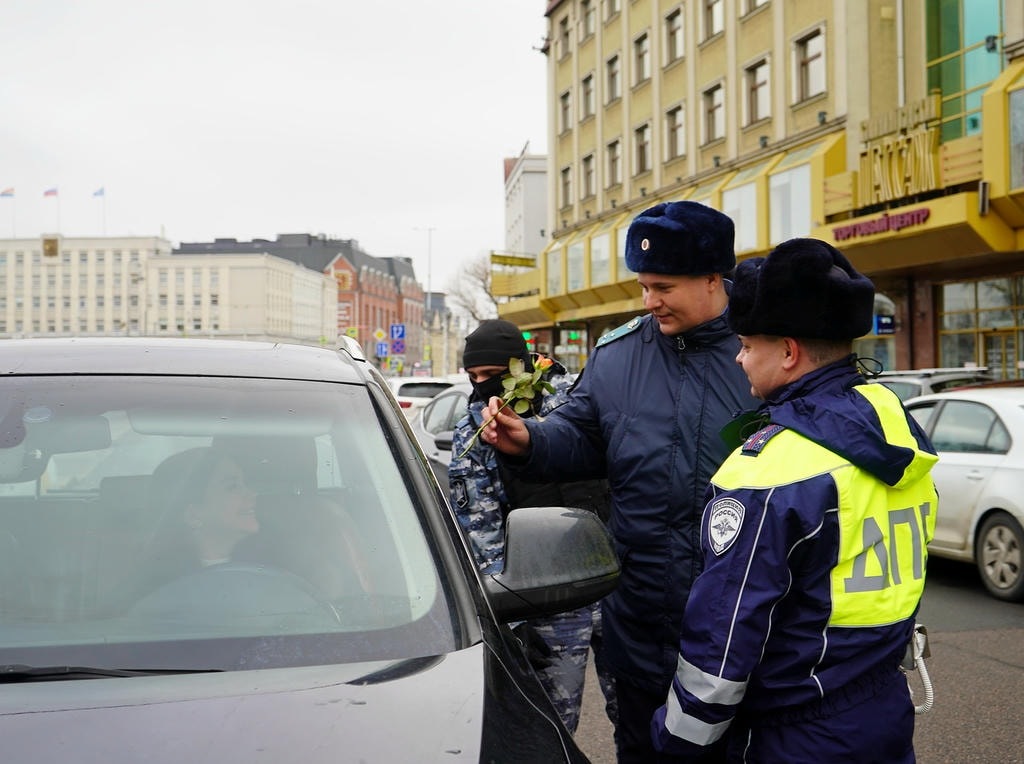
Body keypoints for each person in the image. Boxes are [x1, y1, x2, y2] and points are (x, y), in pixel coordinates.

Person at [479, 202, 759, 763]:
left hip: (731, 623)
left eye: (663, 287)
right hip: (638, 620)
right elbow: (580, 432)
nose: (649, 301)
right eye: (643, 286)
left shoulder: (762, 353)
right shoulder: (618, 354)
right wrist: (529, 441)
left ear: (713, 279)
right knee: (641, 747)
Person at [651, 238, 939, 762]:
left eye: (746, 345)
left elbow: (725, 631)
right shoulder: (895, 424)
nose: (738, 358)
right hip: (881, 707)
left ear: (787, 352)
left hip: (794, 730)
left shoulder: (770, 470)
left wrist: (677, 740)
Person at [448, 318, 617, 738]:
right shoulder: (476, 428)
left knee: (641, 717)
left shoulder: (579, 397)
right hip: (548, 596)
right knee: (552, 729)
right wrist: (513, 617)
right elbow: (481, 530)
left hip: (618, 585)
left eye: (491, 374)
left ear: (520, 364)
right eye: (473, 377)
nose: (483, 385)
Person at [136, 446, 261, 595]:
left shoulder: (274, 564)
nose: (252, 494)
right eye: (233, 486)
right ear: (193, 515)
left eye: (244, 484)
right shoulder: (152, 589)